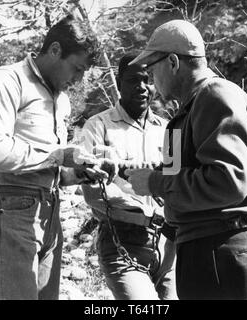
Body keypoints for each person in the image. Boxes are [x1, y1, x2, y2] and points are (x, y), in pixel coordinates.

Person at [125, 20, 247, 300]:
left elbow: (228, 182)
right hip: (200, 252)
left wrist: (155, 181)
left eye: (151, 68)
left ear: (172, 62)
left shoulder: (216, 96)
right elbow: (176, 193)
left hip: (227, 250)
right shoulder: (180, 119)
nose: (150, 80)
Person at [0, 16, 116, 300]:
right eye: (77, 69)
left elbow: (48, 167)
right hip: (10, 213)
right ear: (54, 50)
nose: (78, 81)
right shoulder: (5, 81)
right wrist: (61, 154)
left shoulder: (60, 99)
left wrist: (81, 172)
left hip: (50, 215)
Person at [80, 53, 177, 300]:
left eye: (148, 79)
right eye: (134, 80)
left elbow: (178, 183)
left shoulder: (170, 130)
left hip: (170, 248)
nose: (142, 87)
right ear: (119, 82)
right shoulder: (97, 126)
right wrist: (144, 212)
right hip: (122, 243)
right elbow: (94, 193)